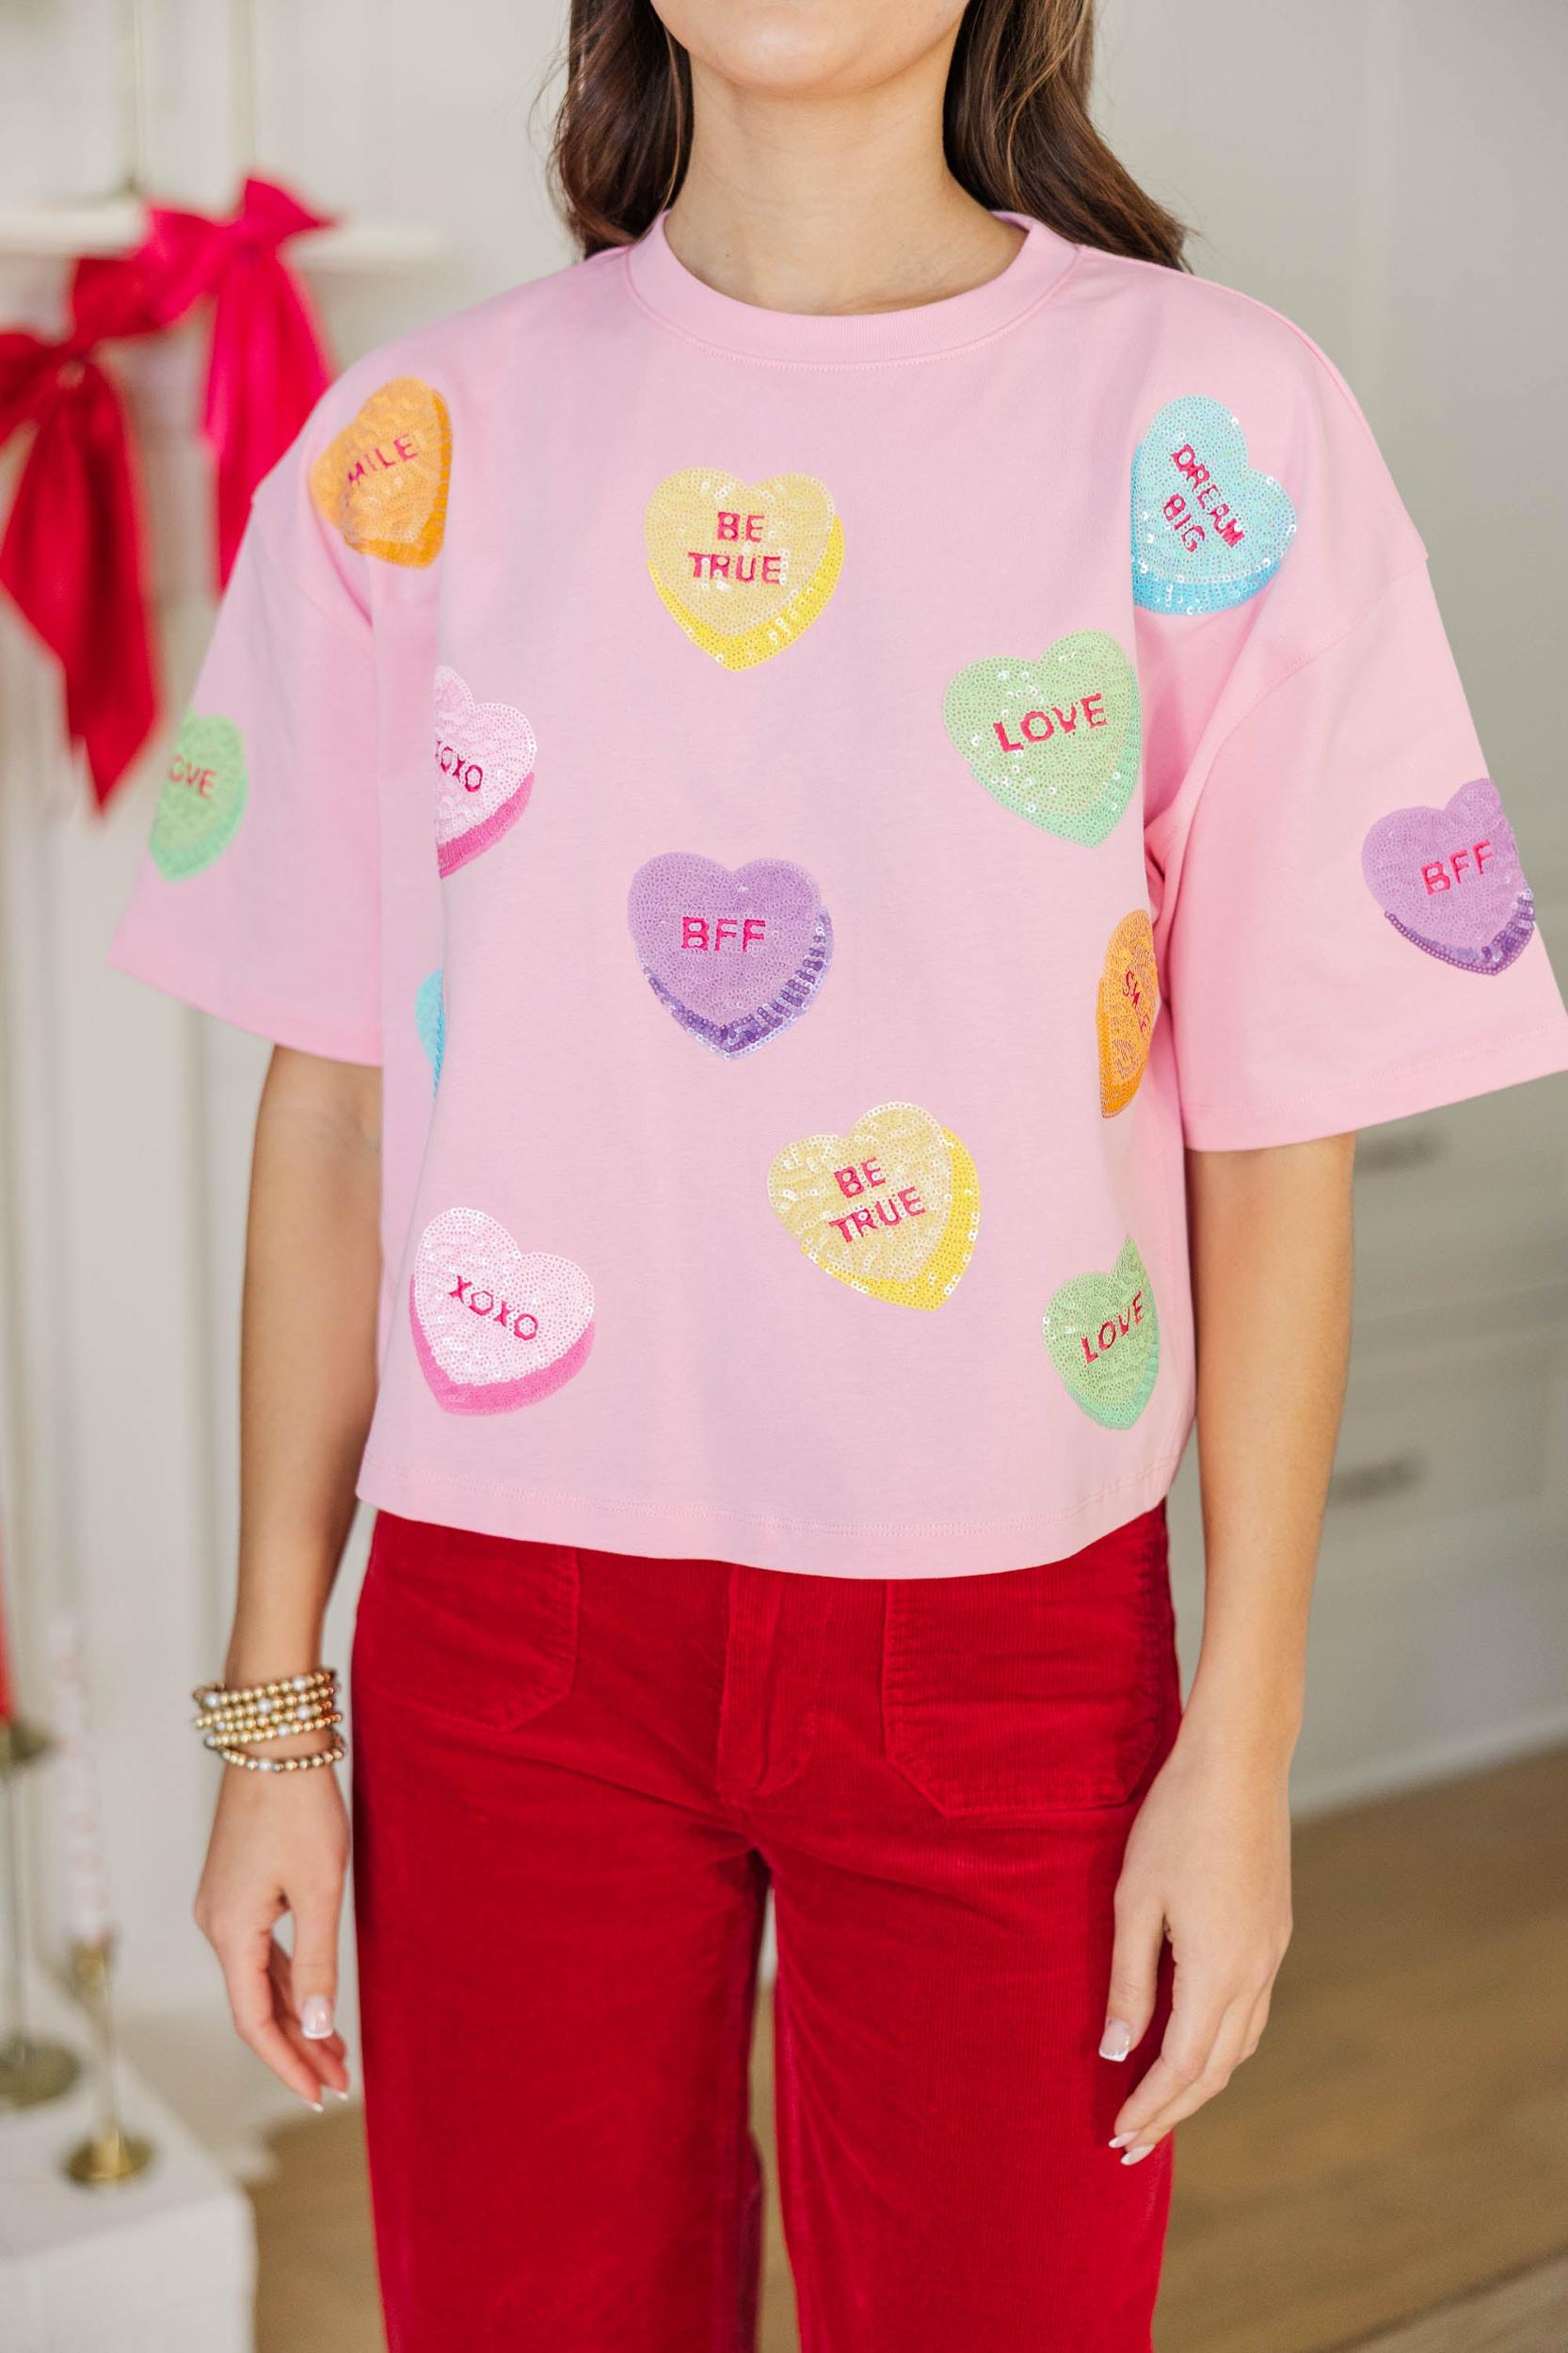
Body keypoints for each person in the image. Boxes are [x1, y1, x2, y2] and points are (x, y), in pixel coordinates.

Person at [109, 3, 1568, 2346]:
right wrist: (270, 1714)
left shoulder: (1208, 418)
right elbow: (337, 1101)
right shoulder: (419, 440)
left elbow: (1272, 1120)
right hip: (500, 1645)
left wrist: (1242, 1735)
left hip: (1006, 1642)